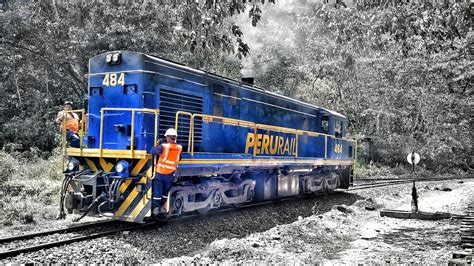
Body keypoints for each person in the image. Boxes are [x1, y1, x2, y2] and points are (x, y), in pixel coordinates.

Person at [151, 128, 182, 214]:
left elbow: (153, 151)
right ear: (175, 137)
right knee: (165, 192)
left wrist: (157, 145)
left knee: (158, 191)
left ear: (168, 137)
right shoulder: (179, 147)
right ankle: (162, 207)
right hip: (170, 174)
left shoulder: (163, 146)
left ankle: (156, 208)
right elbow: (179, 158)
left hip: (160, 173)